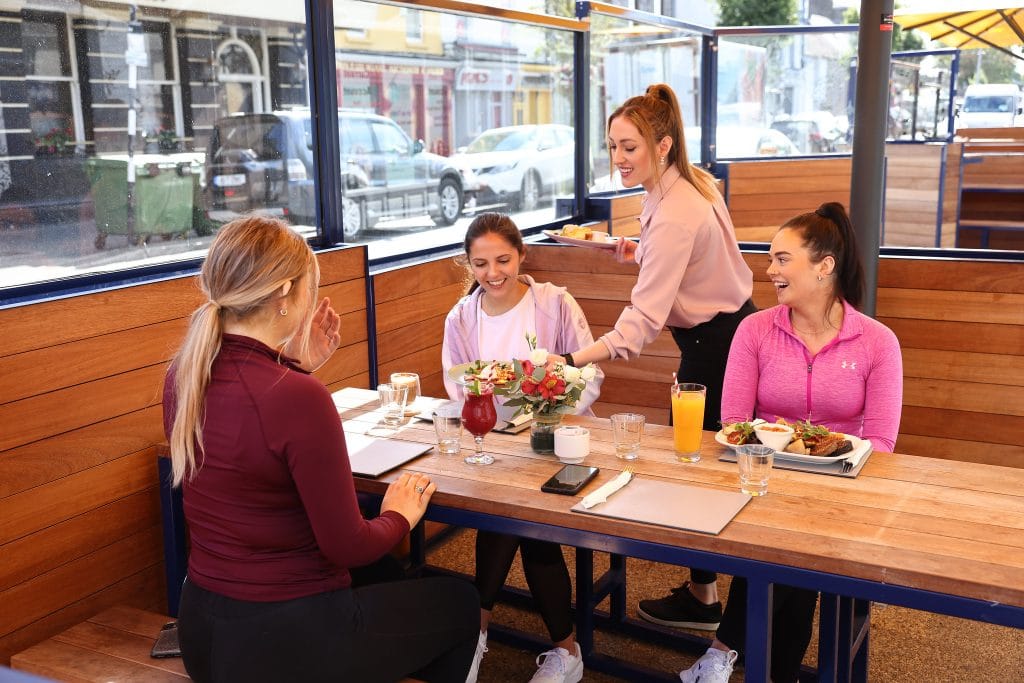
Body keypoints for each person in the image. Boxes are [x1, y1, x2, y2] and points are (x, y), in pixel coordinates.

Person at [163, 216, 479, 683]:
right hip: (284, 643)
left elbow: (253, 429)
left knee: (392, 578)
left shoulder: (184, 377)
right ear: (285, 293)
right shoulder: (296, 396)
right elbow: (347, 545)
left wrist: (295, 364)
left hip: (203, 632)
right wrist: (400, 514)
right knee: (459, 602)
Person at [546, 83, 756, 630]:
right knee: (701, 470)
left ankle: (729, 618)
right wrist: (634, 253)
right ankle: (704, 596)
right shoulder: (687, 185)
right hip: (725, 335)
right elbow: (683, 262)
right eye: (613, 146)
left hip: (720, 348)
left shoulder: (675, 211)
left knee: (707, 473)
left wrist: (573, 357)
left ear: (662, 145)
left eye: (630, 147)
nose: (618, 158)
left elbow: (638, 326)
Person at [679, 202, 903, 683]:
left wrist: (823, 468)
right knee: (787, 548)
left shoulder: (877, 342)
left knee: (793, 549)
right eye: (771, 259)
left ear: (825, 267)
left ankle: (723, 649)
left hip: (842, 491)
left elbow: (881, 442)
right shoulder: (754, 329)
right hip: (762, 480)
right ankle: (761, 668)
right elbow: (734, 421)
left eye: (782, 259)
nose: (770, 270)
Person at [441, 212, 604, 683]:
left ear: (522, 255)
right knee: (512, 516)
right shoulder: (462, 316)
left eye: (503, 260)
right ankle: (565, 650)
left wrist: (549, 396)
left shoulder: (555, 303)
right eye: (480, 264)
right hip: (491, 442)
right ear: (468, 265)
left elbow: (588, 372)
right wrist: (486, 399)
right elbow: (459, 385)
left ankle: (478, 633)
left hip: (557, 441)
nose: (493, 273)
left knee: (511, 517)